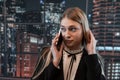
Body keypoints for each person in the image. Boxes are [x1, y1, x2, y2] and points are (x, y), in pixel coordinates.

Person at [31, 7, 106, 80]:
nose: (66, 35)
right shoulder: (46, 54)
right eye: (63, 29)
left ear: (84, 31)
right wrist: (55, 62)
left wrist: (92, 53)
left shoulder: (92, 59)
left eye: (73, 29)